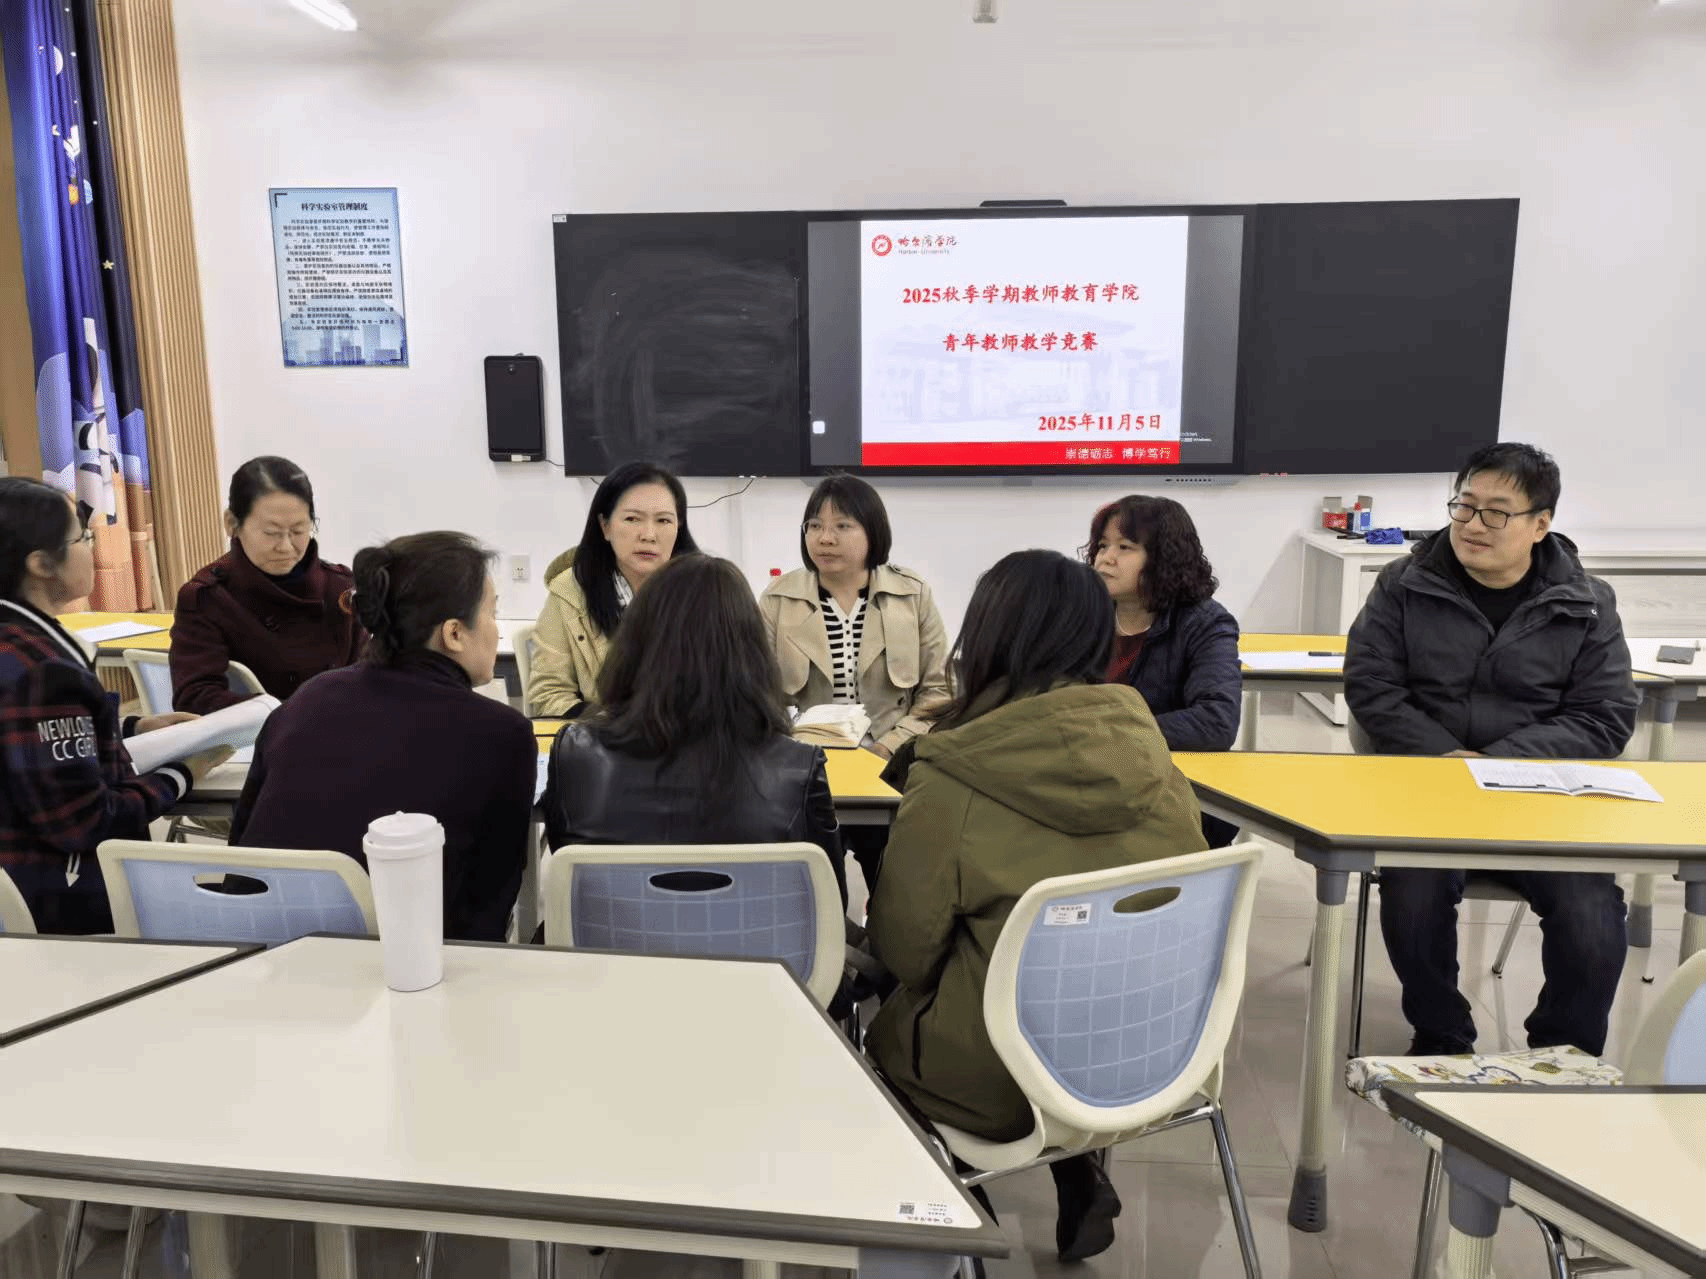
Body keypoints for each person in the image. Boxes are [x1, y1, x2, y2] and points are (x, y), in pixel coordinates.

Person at [864, 549, 1209, 1263]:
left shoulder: (951, 774)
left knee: (883, 1033)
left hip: (1004, 1080)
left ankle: (966, 1199)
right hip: (1157, 1053)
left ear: (986, 636)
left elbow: (905, 951)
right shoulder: (1155, 757)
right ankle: (1075, 1166)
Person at [1344, 442, 1637, 1057]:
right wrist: (1448, 760)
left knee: (1591, 915)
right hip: (1430, 785)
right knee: (1413, 896)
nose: (1473, 525)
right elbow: (1372, 687)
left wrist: (1500, 762)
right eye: (1464, 506)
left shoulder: (1587, 601)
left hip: (1538, 795)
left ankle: (1563, 1055)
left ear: (1540, 524)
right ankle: (1441, 1035)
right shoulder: (1404, 583)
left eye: (1496, 512)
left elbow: (1605, 716)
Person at [231, 532, 535, 942]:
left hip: (257, 948)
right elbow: (489, 900)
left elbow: (241, 843)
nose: (496, 632)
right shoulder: (502, 733)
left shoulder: (307, 699)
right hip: (402, 961)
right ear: (454, 634)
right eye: (492, 613)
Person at [542, 553, 845, 907]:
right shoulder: (798, 767)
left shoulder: (576, 756)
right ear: (752, 651)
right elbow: (830, 900)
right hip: (756, 942)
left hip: (610, 942)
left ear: (634, 642)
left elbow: (569, 873)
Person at [0, 478, 227, 933]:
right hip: (62, 910)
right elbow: (85, 822)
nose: (92, 549)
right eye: (82, 537)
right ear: (41, 564)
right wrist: (183, 773)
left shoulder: (19, 648)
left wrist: (132, 728)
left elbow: (20, 741)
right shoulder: (44, 670)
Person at [760, 475, 950, 887]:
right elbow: (760, 695)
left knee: (897, 891)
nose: (825, 538)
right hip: (805, 774)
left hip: (893, 770)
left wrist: (888, 747)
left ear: (873, 532)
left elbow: (938, 693)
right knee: (817, 892)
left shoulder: (912, 595)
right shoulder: (778, 599)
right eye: (814, 525)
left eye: (842, 526)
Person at [170, 456, 365, 714]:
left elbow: (370, 675)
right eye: (271, 533)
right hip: (258, 736)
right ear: (232, 524)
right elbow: (196, 698)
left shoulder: (339, 588)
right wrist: (289, 714)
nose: (285, 546)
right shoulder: (209, 598)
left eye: (298, 531)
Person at [528, 461, 699, 719]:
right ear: (605, 526)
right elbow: (548, 694)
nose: (648, 535)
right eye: (632, 519)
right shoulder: (569, 592)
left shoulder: (704, 591)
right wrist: (611, 724)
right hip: (604, 736)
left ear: (679, 527)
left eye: (663, 520)